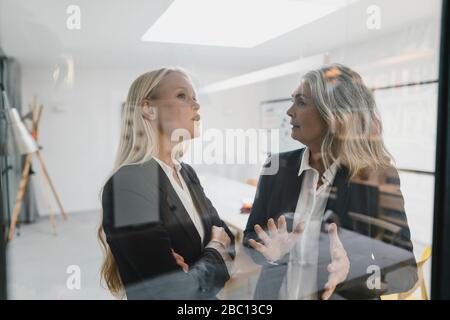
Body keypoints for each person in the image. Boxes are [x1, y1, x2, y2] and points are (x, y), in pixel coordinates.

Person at [243, 63, 418, 300]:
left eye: (301, 102)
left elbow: (405, 272)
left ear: (335, 116)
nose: (289, 111)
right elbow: (250, 240)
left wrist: (351, 274)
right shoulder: (276, 168)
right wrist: (268, 253)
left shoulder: (375, 178)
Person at [98, 67, 235, 299]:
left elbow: (227, 236)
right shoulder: (126, 184)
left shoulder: (186, 172)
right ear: (148, 109)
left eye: (195, 98)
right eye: (182, 95)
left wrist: (196, 269)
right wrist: (215, 249)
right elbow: (174, 293)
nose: (196, 105)